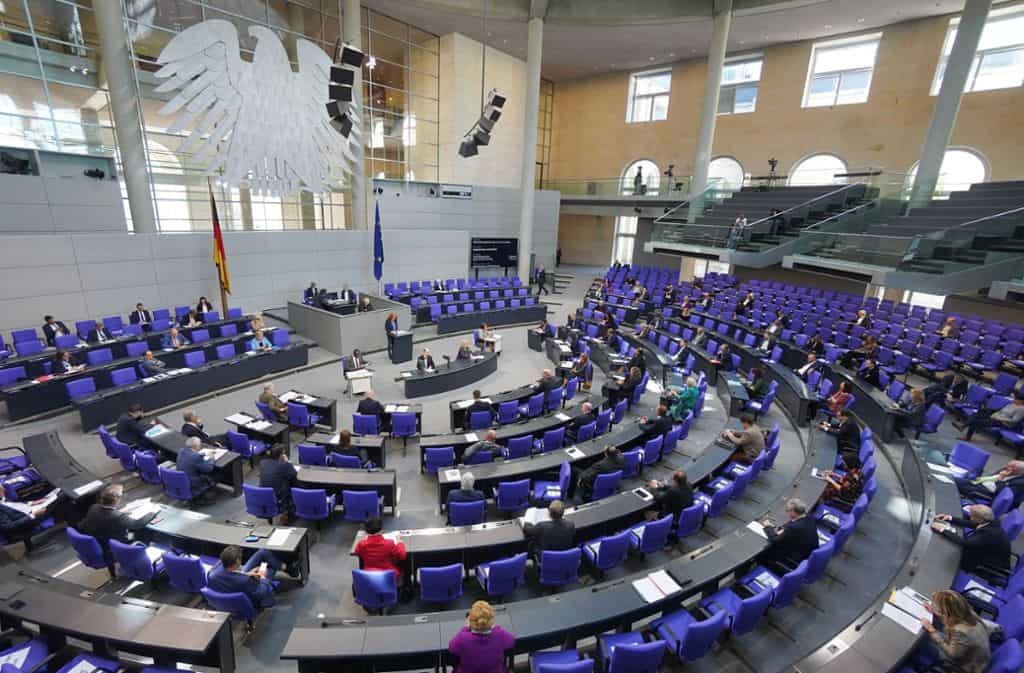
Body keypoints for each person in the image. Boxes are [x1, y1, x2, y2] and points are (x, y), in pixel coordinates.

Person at [80, 485, 155, 567]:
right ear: (116, 500)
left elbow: (104, 516)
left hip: (98, 542)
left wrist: (121, 514)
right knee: (139, 532)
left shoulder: (94, 507)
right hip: (111, 547)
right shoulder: (118, 517)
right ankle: (140, 558)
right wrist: (152, 513)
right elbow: (137, 524)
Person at [920, 590, 993, 673]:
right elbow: (950, 618)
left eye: (938, 608)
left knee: (924, 642)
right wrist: (934, 612)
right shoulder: (965, 611)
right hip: (974, 654)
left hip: (968, 666)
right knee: (935, 630)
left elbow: (952, 654)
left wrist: (932, 630)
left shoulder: (960, 632)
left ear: (946, 612)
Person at [207, 545, 293, 610]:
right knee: (270, 568)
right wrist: (263, 577)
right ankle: (288, 569)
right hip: (249, 596)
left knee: (263, 552)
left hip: (235, 583)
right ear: (237, 561)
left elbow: (231, 574)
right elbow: (261, 592)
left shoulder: (213, 572)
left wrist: (246, 574)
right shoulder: (245, 581)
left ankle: (287, 568)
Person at [932, 505, 1010, 574]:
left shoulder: (989, 534)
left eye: (972, 516)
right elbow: (971, 523)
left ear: (980, 519)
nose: (970, 518)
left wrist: (942, 529)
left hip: (989, 562)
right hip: (984, 550)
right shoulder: (990, 521)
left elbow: (965, 542)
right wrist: (949, 518)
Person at [448, 600, 515, 673]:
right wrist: (495, 627)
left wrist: (465, 628)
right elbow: (511, 640)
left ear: (470, 620)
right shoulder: (500, 634)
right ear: (491, 620)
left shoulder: (462, 638)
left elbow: (452, 648)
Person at [759, 498, 819, 566]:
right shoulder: (808, 517)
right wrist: (781, 529)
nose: (786, 512)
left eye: (787, 510)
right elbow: (791, 526)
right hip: (809, 553)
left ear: (793, 512)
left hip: (797, 559)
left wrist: (767, 526)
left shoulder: (794, 528)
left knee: (765, 550)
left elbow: (775, 540)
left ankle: (761, 564)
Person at [954, 461, 1024, 510]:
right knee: (955, 480)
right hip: (981, 482)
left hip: (988, 492)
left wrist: (1001, 478)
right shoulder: (1008, 469)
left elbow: (1003, 494)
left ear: (1015, 471)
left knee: (956, 483)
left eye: (1009, 467)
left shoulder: (1019, 483)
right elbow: (991, 476)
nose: (1006, 468)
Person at [957, 394, 1024, 441]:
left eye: (1016, 399)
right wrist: (994, 414)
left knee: (976, 421)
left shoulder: (1021, 409)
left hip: (1003, 423)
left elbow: (1014, 420)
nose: (1014, 400)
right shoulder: (1011, 404)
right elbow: (1000, 410)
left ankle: (967, 436)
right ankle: (963, 426)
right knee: (976, 415)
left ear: (1022, 401)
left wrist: (999, 418)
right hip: (996, 418)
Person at [258, 445, 297, 518]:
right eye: (284, 453)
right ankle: (288, 510)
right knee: (292, 482)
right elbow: (294, 474)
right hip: (277, 495)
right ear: (281, 455)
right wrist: (288, 462)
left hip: (263, 494)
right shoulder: (285, 465)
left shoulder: (262, 462)